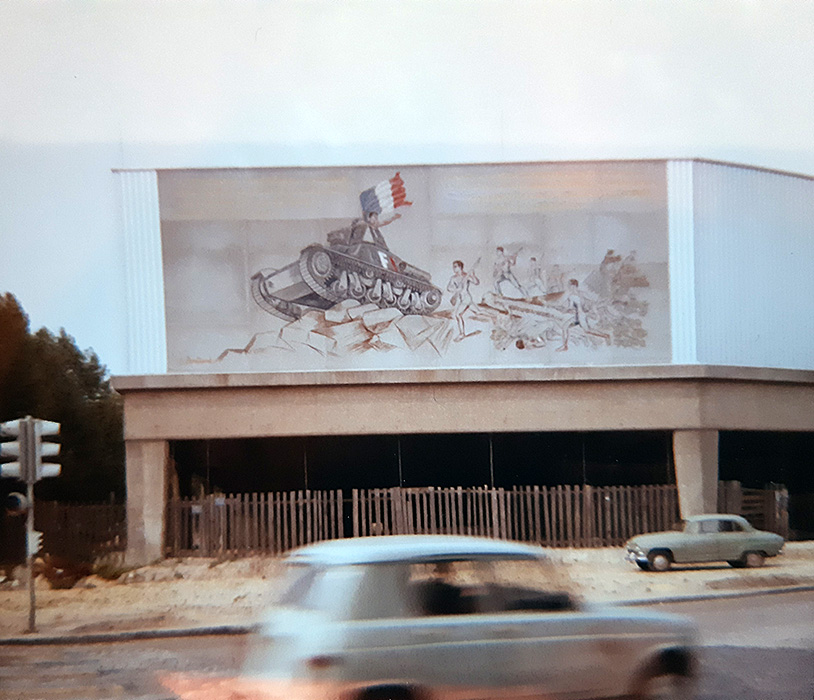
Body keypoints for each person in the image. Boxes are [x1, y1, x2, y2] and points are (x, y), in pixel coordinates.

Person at [556, 279, 611, 351]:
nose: (570, 288)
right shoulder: (579, 294)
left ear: (575, 286)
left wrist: (562, 308)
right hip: (578, 316)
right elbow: (575, 305)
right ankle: (565, 346)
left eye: (572, 286)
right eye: (570, 286)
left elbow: (570, 306)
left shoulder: (573, 295)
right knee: (565, 327)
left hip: (580, 316)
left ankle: (606, 336)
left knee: (587, 330)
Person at [447, 259, 480, 341]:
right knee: (479, 312)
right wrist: (456, 290)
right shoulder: (453, 278)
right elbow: (448, 288)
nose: (454, 269)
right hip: (462, 299)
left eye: (455, 267)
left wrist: (473, 275)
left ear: (460, 267)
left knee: (458, 315)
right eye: (453, 267)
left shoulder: (466, 275)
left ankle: (462, 334)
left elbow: (476, 282)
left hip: (466, 298)